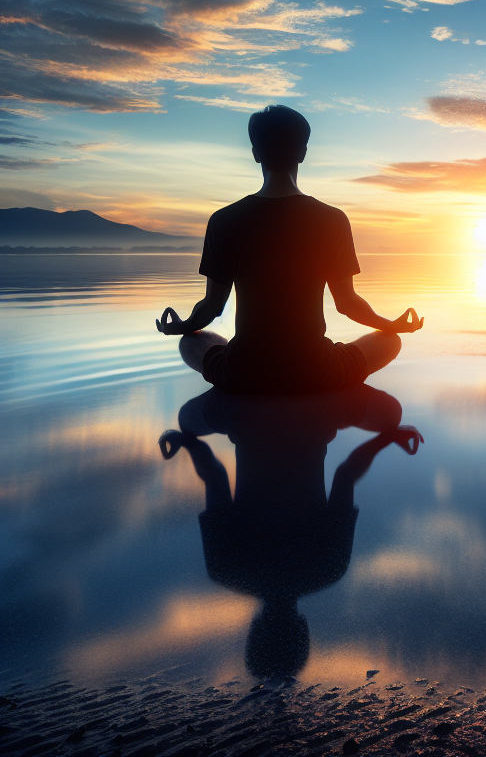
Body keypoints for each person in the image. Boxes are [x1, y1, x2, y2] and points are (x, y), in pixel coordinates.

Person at [155, 105, 423, 394]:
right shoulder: (332, 220)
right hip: (318, 374)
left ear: (256, 153)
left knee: (191, 341)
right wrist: (390, 324)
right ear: (303, 153)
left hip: (243, 375)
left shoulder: (224, 220)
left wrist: (182, 326)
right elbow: (347, 304)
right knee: (390, 340)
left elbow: (212, 307)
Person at [159, 385, 423, 678]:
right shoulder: (225, 570)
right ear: (255, 630)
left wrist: (388, 437)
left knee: (391, 414)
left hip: (317, 403)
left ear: (302, 631)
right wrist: (185, 440)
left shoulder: (329, 567)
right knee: (186, 419)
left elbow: (346, 474)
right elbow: (214, 475)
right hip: (246, 404)